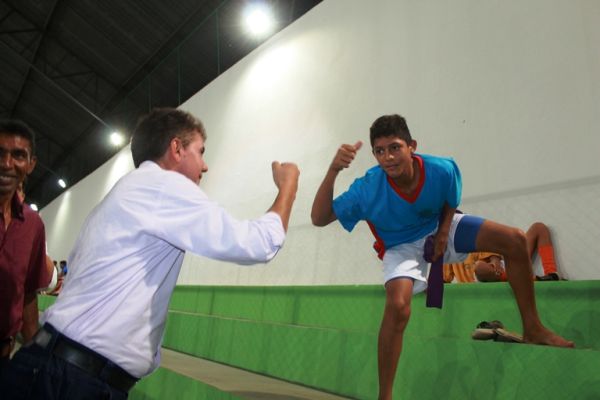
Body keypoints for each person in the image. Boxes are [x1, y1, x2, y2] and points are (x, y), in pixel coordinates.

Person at [1, 108, 300, 399]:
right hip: (72, 380)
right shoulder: (163, 185)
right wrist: (288, 186)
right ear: (177, 149)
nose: (205, 166)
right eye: (200, 152)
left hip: (60, 369)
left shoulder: (129, 192)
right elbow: (257, 244)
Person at [310, 114, 574, 400]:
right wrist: (334, 170)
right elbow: (319, 218)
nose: (388, 157)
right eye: (380, 151)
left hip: (438, 228)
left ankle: (533, 328)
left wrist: (445, 230)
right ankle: (385, 396)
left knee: (516, 240)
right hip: (400, 246)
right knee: (398, 306)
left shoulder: (441, 169)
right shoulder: (366, 189)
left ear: (412, 146)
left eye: (395, 147)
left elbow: (451, 197)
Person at [0, 119, 49, 377]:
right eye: (0, 153)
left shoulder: (33, 225)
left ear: (31, 164)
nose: (6, 164)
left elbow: (28, 294)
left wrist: (35, 358)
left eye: (18, 155)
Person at [444, 222, 562, 283]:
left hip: (502, 268)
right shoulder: (447, 253)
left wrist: (495, 261)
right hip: (486, 278)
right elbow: (444, 279)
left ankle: (551, 274)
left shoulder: (474, 238)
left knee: (538, 227)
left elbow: (492, 253)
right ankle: (529, 279)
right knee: (479, 268)